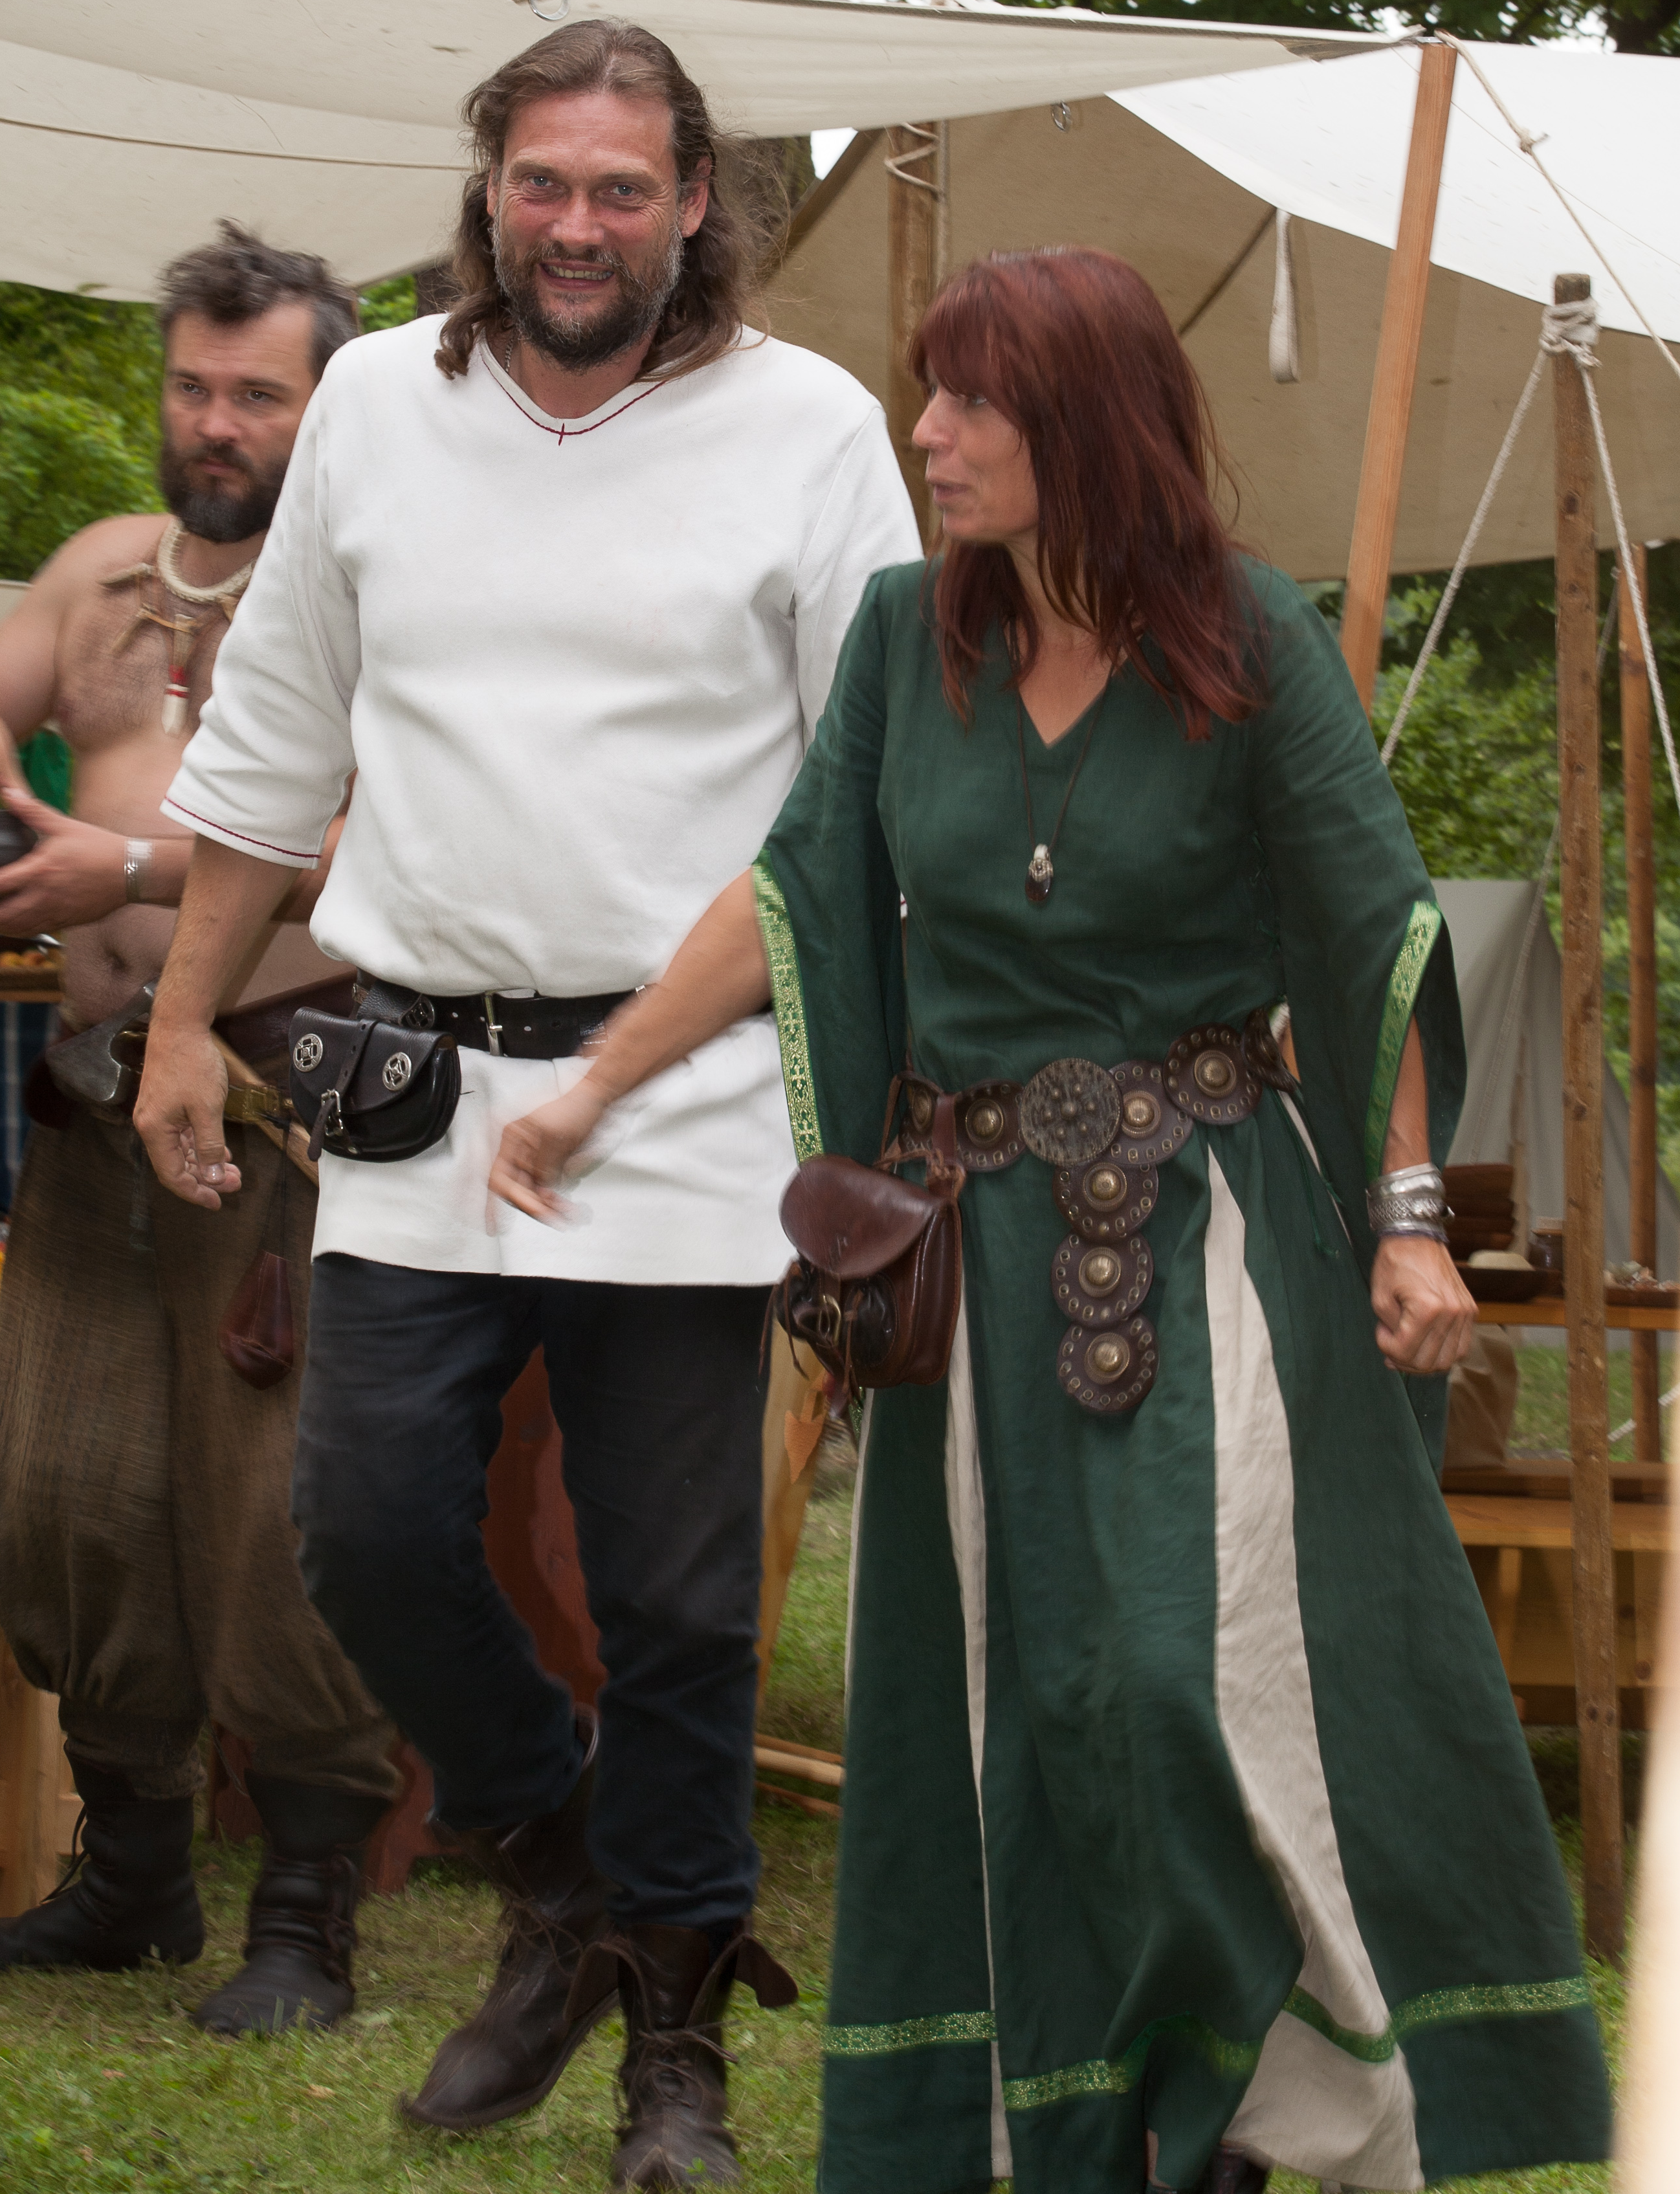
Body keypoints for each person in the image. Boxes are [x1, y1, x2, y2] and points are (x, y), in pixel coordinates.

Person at [487, 249, 1613, 2194]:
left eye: (971, 401)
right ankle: (1120, 2117)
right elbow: (791, 896)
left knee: (1199, 1686)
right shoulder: (903, 638)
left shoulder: (1248, 637)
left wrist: (1412, 1219)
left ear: (1081, 424)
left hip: (1219, 1236)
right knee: (1042, 1702)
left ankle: (1265, 2094)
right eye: (927, 394)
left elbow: (1368, 929)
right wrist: (597, 1084)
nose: (926, 434)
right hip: (983, 1262)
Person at [131, 19, 920, 2186]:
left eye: (622, 189)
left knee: (678, 1601)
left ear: (695, 203)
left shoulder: (810, 428)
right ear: (490, 189)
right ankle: (566, 1875)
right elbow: (273, 744)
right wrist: (187, 1020)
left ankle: (677, 2059)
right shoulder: (381, 404)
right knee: (370, 1526)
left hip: (692, 1100)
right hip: (417, 1084)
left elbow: (855, 801)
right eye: (544, 183)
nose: (579, 226)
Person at [0, 227, 398, 2033]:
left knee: (276, 1508)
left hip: (284, 1111)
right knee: (70, 1488)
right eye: (193, 384)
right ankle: (134, 1881)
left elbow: (392, 855)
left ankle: (308, 1920)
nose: (217, 421)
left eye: (258, 392)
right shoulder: (103, 571)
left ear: (329, 404)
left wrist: (126, 865)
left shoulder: (381, 590)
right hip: (94, 1106)